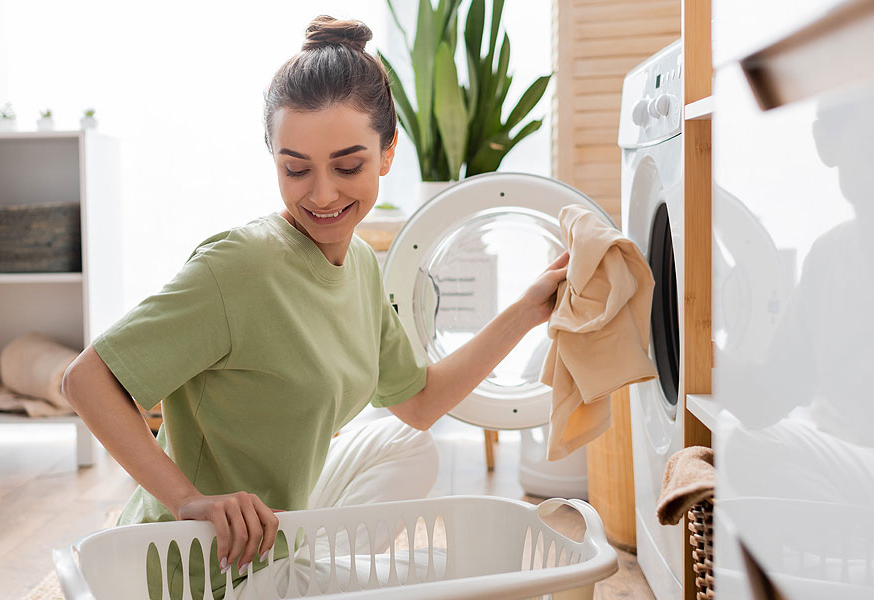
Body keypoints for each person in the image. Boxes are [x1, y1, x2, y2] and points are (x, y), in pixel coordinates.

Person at [61, 14, 569, 591]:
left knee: (408, 442)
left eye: (348, 165)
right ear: (273, 156)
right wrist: (188, 501)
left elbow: (420, 403)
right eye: (295, 169)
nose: (322, 194)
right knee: (466, 574)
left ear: (387, 152)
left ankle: (310, 570)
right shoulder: (239, 266)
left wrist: (529, 308)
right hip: (200, 567)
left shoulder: (358, 267)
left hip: (276, 531)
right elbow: (85, 380)